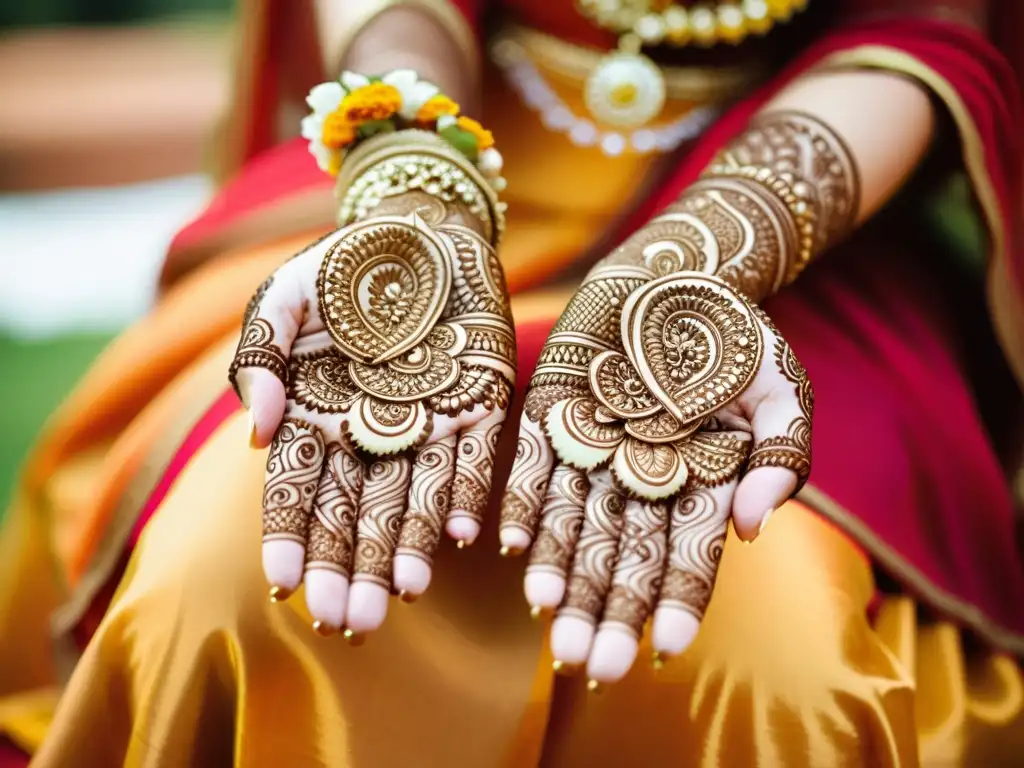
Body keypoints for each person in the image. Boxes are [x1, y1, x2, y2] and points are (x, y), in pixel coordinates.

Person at [1, 0, 1022, 764]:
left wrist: (687, 267)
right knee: (234, 570)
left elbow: (923, 28)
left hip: (801, 225)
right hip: (451, 147)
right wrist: (413, 196)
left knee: (761, 647)